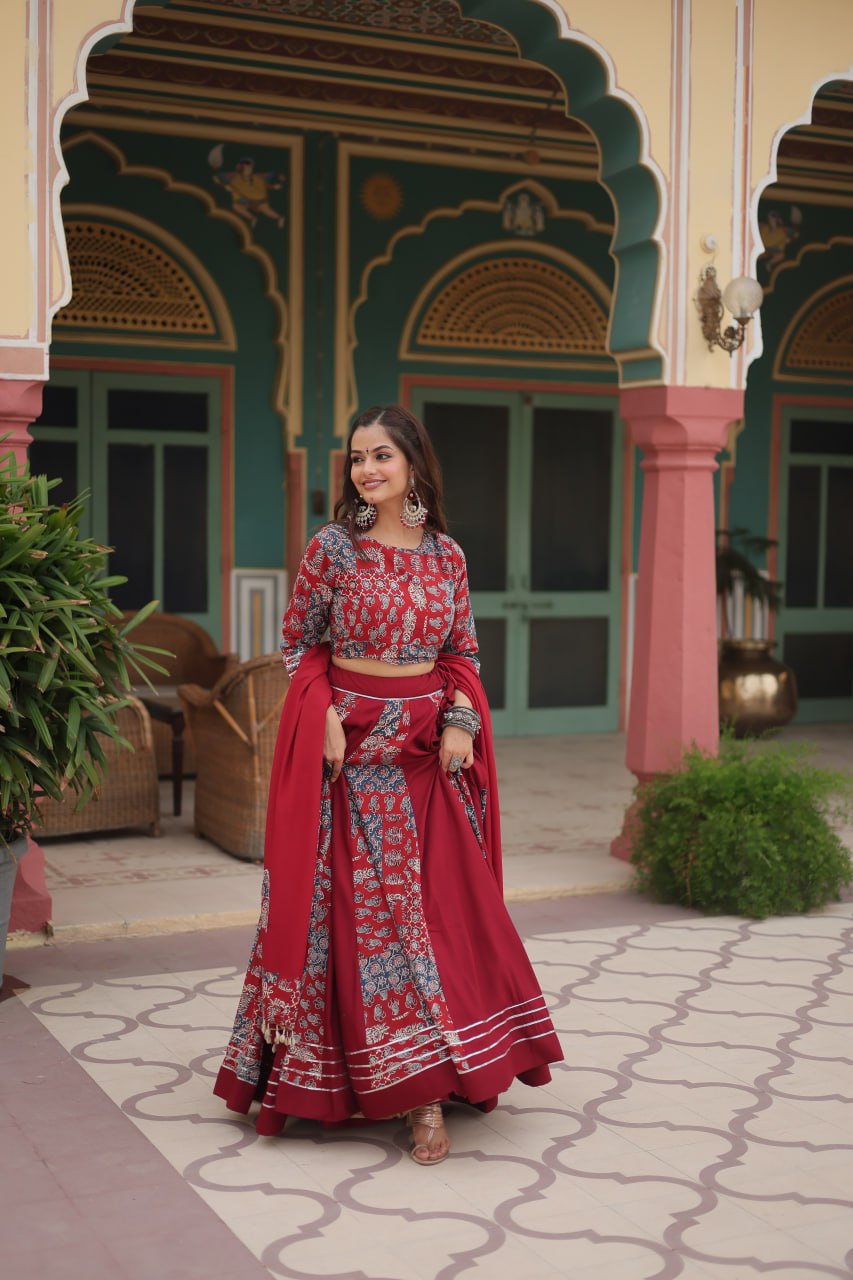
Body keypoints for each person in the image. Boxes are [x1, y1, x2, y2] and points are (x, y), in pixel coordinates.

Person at [214, 404, 564, 1165]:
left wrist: (462, 721)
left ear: (412, 464)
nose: (367, 470)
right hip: (346, 762)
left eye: (381, 456)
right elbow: (298, 643)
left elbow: (462, 651)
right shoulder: (333, 550)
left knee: (436, 924)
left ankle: (435, 1083)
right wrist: (321, 717)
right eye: (356, 458)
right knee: (363, 929)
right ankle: (405, 1098)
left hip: (424, 762)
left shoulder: (447, 557)